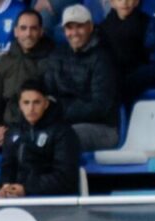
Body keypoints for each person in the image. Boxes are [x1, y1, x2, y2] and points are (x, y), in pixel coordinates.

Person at [42, 4, 121, 152]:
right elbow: (49, 93)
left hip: (103, 128)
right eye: (69, 28)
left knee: (63, 137)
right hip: (64, 123)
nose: (74, 33)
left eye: (79, 26)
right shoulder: (57, 55)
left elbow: (100, 105)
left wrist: (62, 113)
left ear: (90, 27)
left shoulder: (102, 58)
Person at [0, 9, 54, 160]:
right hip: (4, 129)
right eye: (23, 28)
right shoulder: (6, 60)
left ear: (41, 32)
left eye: (33, 28)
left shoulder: (52, 60)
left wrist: (12, 131)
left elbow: (51, 103)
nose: (28, 34)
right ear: (16, 32)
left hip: (34, 129)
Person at [0, 79, 81, 198]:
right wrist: (4, 188)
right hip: (16, 200)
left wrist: (26, 189)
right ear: (20, 105)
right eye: (26, 102)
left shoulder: (63, 133)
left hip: (52, 203)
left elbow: (65, 178)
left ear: (46, 104)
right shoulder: (13, 133)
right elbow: (7, 169)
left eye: (36, 102)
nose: (31, 108)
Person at [97, 0, 149, 106]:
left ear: (137, 2)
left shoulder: (146, 23)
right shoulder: (103, 27)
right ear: (111, 3)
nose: (125, 2)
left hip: (136, 73)